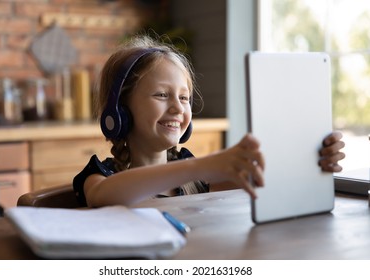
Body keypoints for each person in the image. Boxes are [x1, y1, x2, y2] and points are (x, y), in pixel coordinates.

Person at [73, 35, 345, 208]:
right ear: (119, 109)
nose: (177, 107)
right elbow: (103, 197)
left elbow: (263, 177)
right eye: (162, 95)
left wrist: (312, 156)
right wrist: (200, 166)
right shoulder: (101, 176)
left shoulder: (192, 176)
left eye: (184, 98)